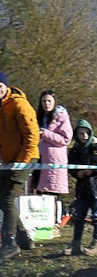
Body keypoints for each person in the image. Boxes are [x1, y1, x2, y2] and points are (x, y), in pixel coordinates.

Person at [0, 71, 40, 259]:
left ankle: (10, 242)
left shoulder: (19, 104)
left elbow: (33, 135)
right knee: (2, 197)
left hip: (26, 158)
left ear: (6, 87)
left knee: (8, 198)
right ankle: (24, 237)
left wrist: (22, 163)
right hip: (8, 161)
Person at [66, 119, 97, 256]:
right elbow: (70, 167)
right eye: (81, 133)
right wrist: (77, 173)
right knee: (78, 215)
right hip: (83, 187)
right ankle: (75, 244)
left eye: (87, 133)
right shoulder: (74, 150)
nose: (84, 136)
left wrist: (92, 171)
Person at [34, 90, 72, 215]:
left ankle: (56, 221)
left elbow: (65, 139)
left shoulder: (62, 118)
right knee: (39, 192)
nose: (46, 104)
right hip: (38, 157)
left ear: (55, 102)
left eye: (49, 101)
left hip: (53, 160)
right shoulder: (37, 117)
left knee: (53, 193)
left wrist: (44, 133)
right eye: (44, 101)